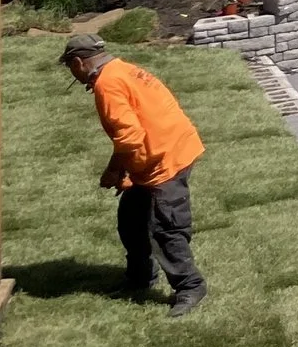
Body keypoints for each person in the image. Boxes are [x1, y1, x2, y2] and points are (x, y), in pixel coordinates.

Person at [59, 34, 207, 315]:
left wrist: (114, 170)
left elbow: (130, 138)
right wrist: (130, 172)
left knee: (166, 227)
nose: (72, 72)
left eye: (69, 66)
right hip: (160, 153)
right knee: (131, 219)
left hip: (166, 159)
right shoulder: (122, 69)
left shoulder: (108, 84)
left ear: (78, 62)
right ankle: (140, 277)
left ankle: (190, 286)